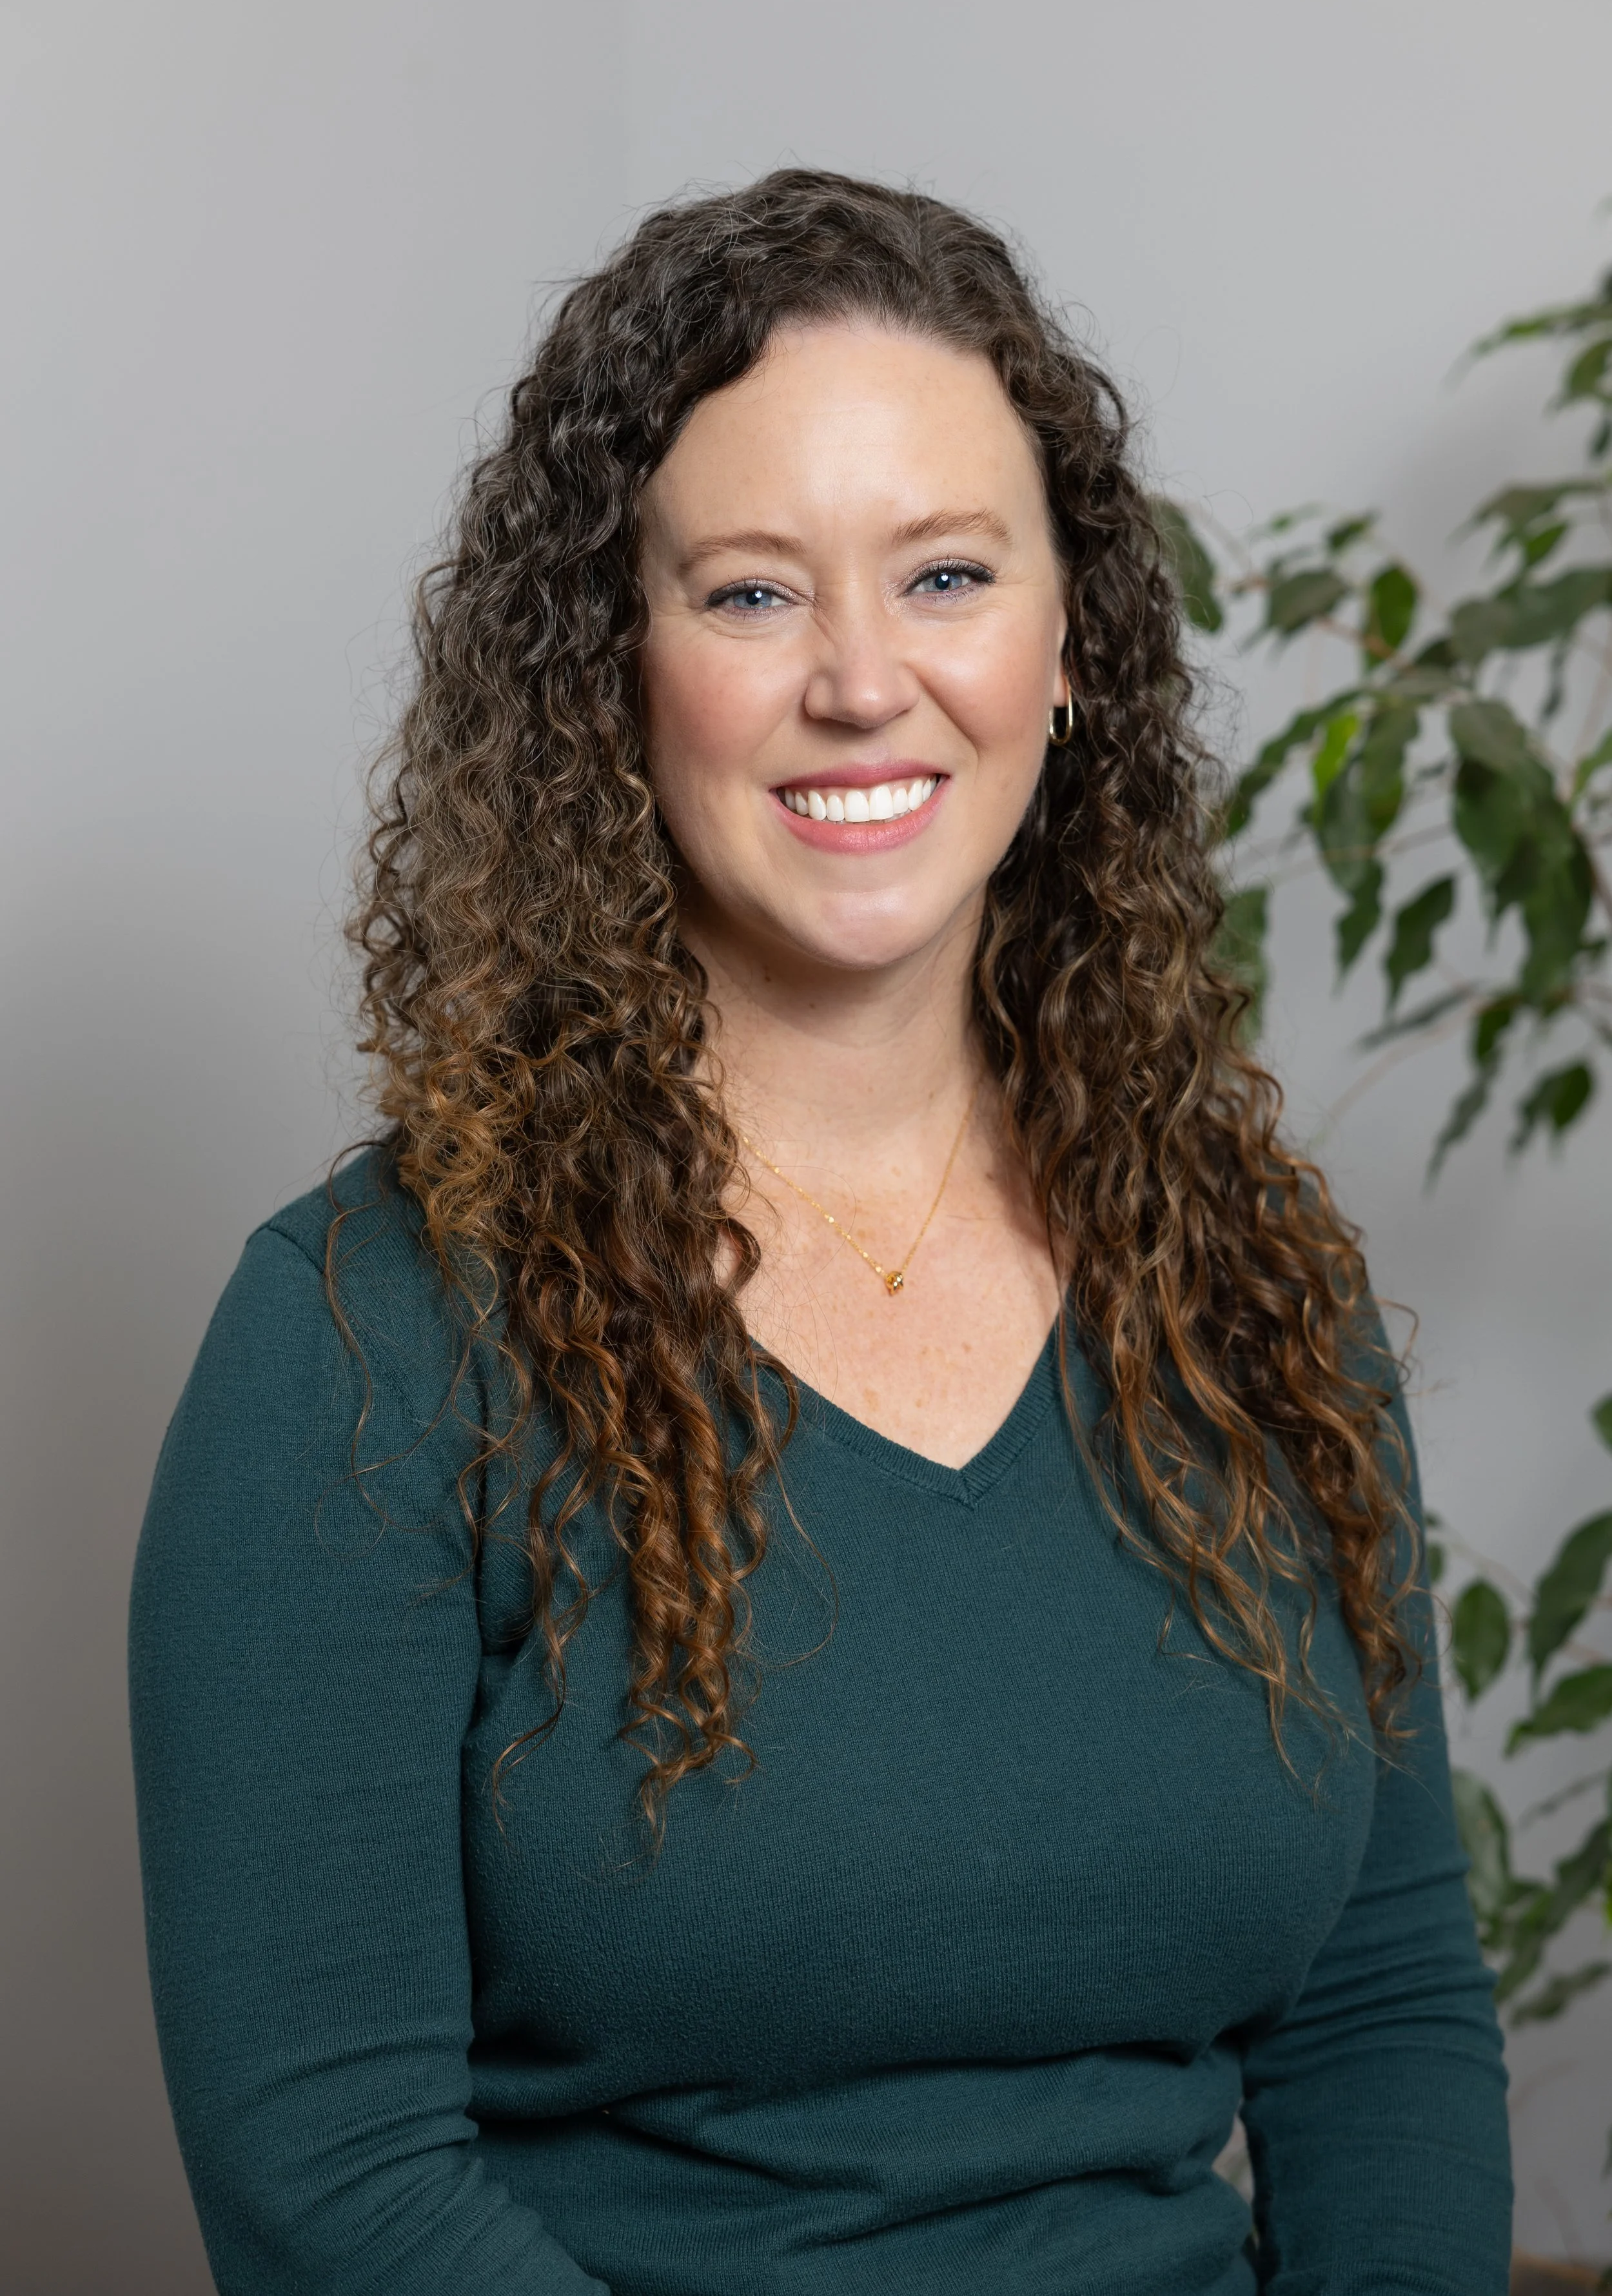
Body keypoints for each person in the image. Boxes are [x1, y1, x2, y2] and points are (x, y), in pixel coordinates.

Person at [129, 169, 1512, 2295]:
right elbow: (332, 2174)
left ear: (1068, 647)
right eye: (753, 593)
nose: (865, 682)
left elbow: (1379, 2017)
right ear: (614, 669)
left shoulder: (1251, 1286)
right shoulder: (360, 1336)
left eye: (946, 571)